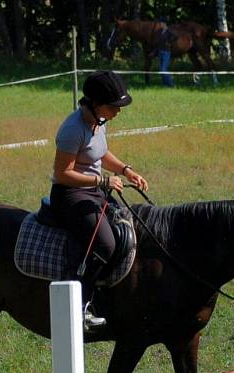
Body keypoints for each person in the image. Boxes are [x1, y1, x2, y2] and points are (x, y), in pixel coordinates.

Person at [50, 70, 148, 328]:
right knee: (105, 243)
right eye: (114, 106)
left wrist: (126, 170)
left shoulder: (97, 122)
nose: (118, 111)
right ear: (95, 104)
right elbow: (63, 174)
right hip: (69, 194)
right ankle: (81, 304)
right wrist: (103, 181)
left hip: (93, 190)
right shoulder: (73, 129)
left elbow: (100, 154)